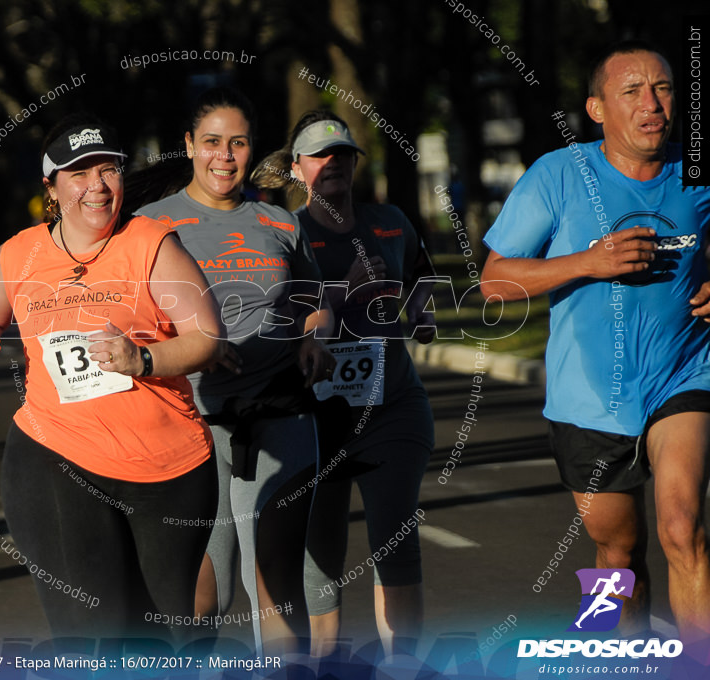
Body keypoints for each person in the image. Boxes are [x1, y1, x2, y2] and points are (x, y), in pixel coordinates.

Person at [0, 114, 225, 642]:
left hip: (167, 469)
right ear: (51, 187)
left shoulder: (151, 243)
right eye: (79, 173)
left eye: (108, 170)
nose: (97, 186)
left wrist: (141, 360)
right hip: (54, 456)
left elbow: (207, 337)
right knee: (94, 633)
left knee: (168, 634)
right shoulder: (20, 253)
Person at [481, 41, 710, 661]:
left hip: (684, 374)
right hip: (589, 398)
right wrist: (588, 261)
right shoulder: (559, 175)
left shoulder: (697, 169)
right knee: (616, 554)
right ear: (597, 109)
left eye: (663, 88)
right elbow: (494, 280)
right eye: (632, 91)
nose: (652, 104)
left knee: (681, 527)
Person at [134, 88, 335, 655]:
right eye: (213, 142)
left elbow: (314, 299)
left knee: (276, 585)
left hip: (282, 410)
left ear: (252, 151)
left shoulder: (278, 222)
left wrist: (316, 338)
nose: (225, 156)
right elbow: (129, 312)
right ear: (190, 147)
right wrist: (195, 344)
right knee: (204, 597)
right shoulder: (149, 225)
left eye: (238, 143)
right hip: (190, 422)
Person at [254, 112, 437, 659]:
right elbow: (273, 325)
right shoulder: (280, 232)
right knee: (320, 559)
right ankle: (323, 668)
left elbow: (421, 275)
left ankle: (402, 667)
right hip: (313, 418)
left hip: (392, 407)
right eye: (318, 157)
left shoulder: (391, 221)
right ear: (296, 169)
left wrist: (420, 314)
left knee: (395, 541)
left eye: (342, 155)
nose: (332, 165)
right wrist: (341, 295)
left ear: (355, 163)